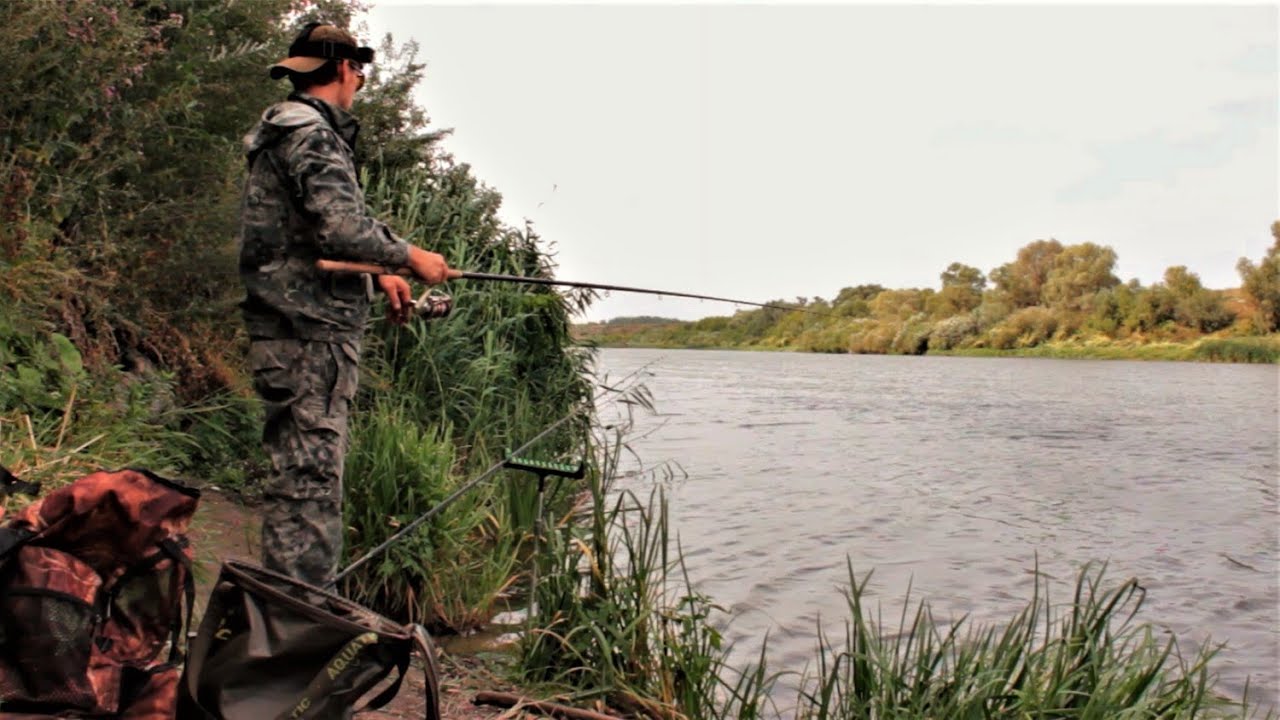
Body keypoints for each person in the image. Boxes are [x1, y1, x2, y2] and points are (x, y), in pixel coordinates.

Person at [238, 23, 450, 588]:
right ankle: (294, 629)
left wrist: (380, 274)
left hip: (289, 326)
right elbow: (342, 230)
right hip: (310, 336)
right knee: (309, 487)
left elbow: (303, 238)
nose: (359, 81)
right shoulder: (313, 134)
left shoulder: (282, 130)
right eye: (359, 70)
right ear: (343, 69)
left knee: (299, 479)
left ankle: (284, 619)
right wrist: (412, 258)